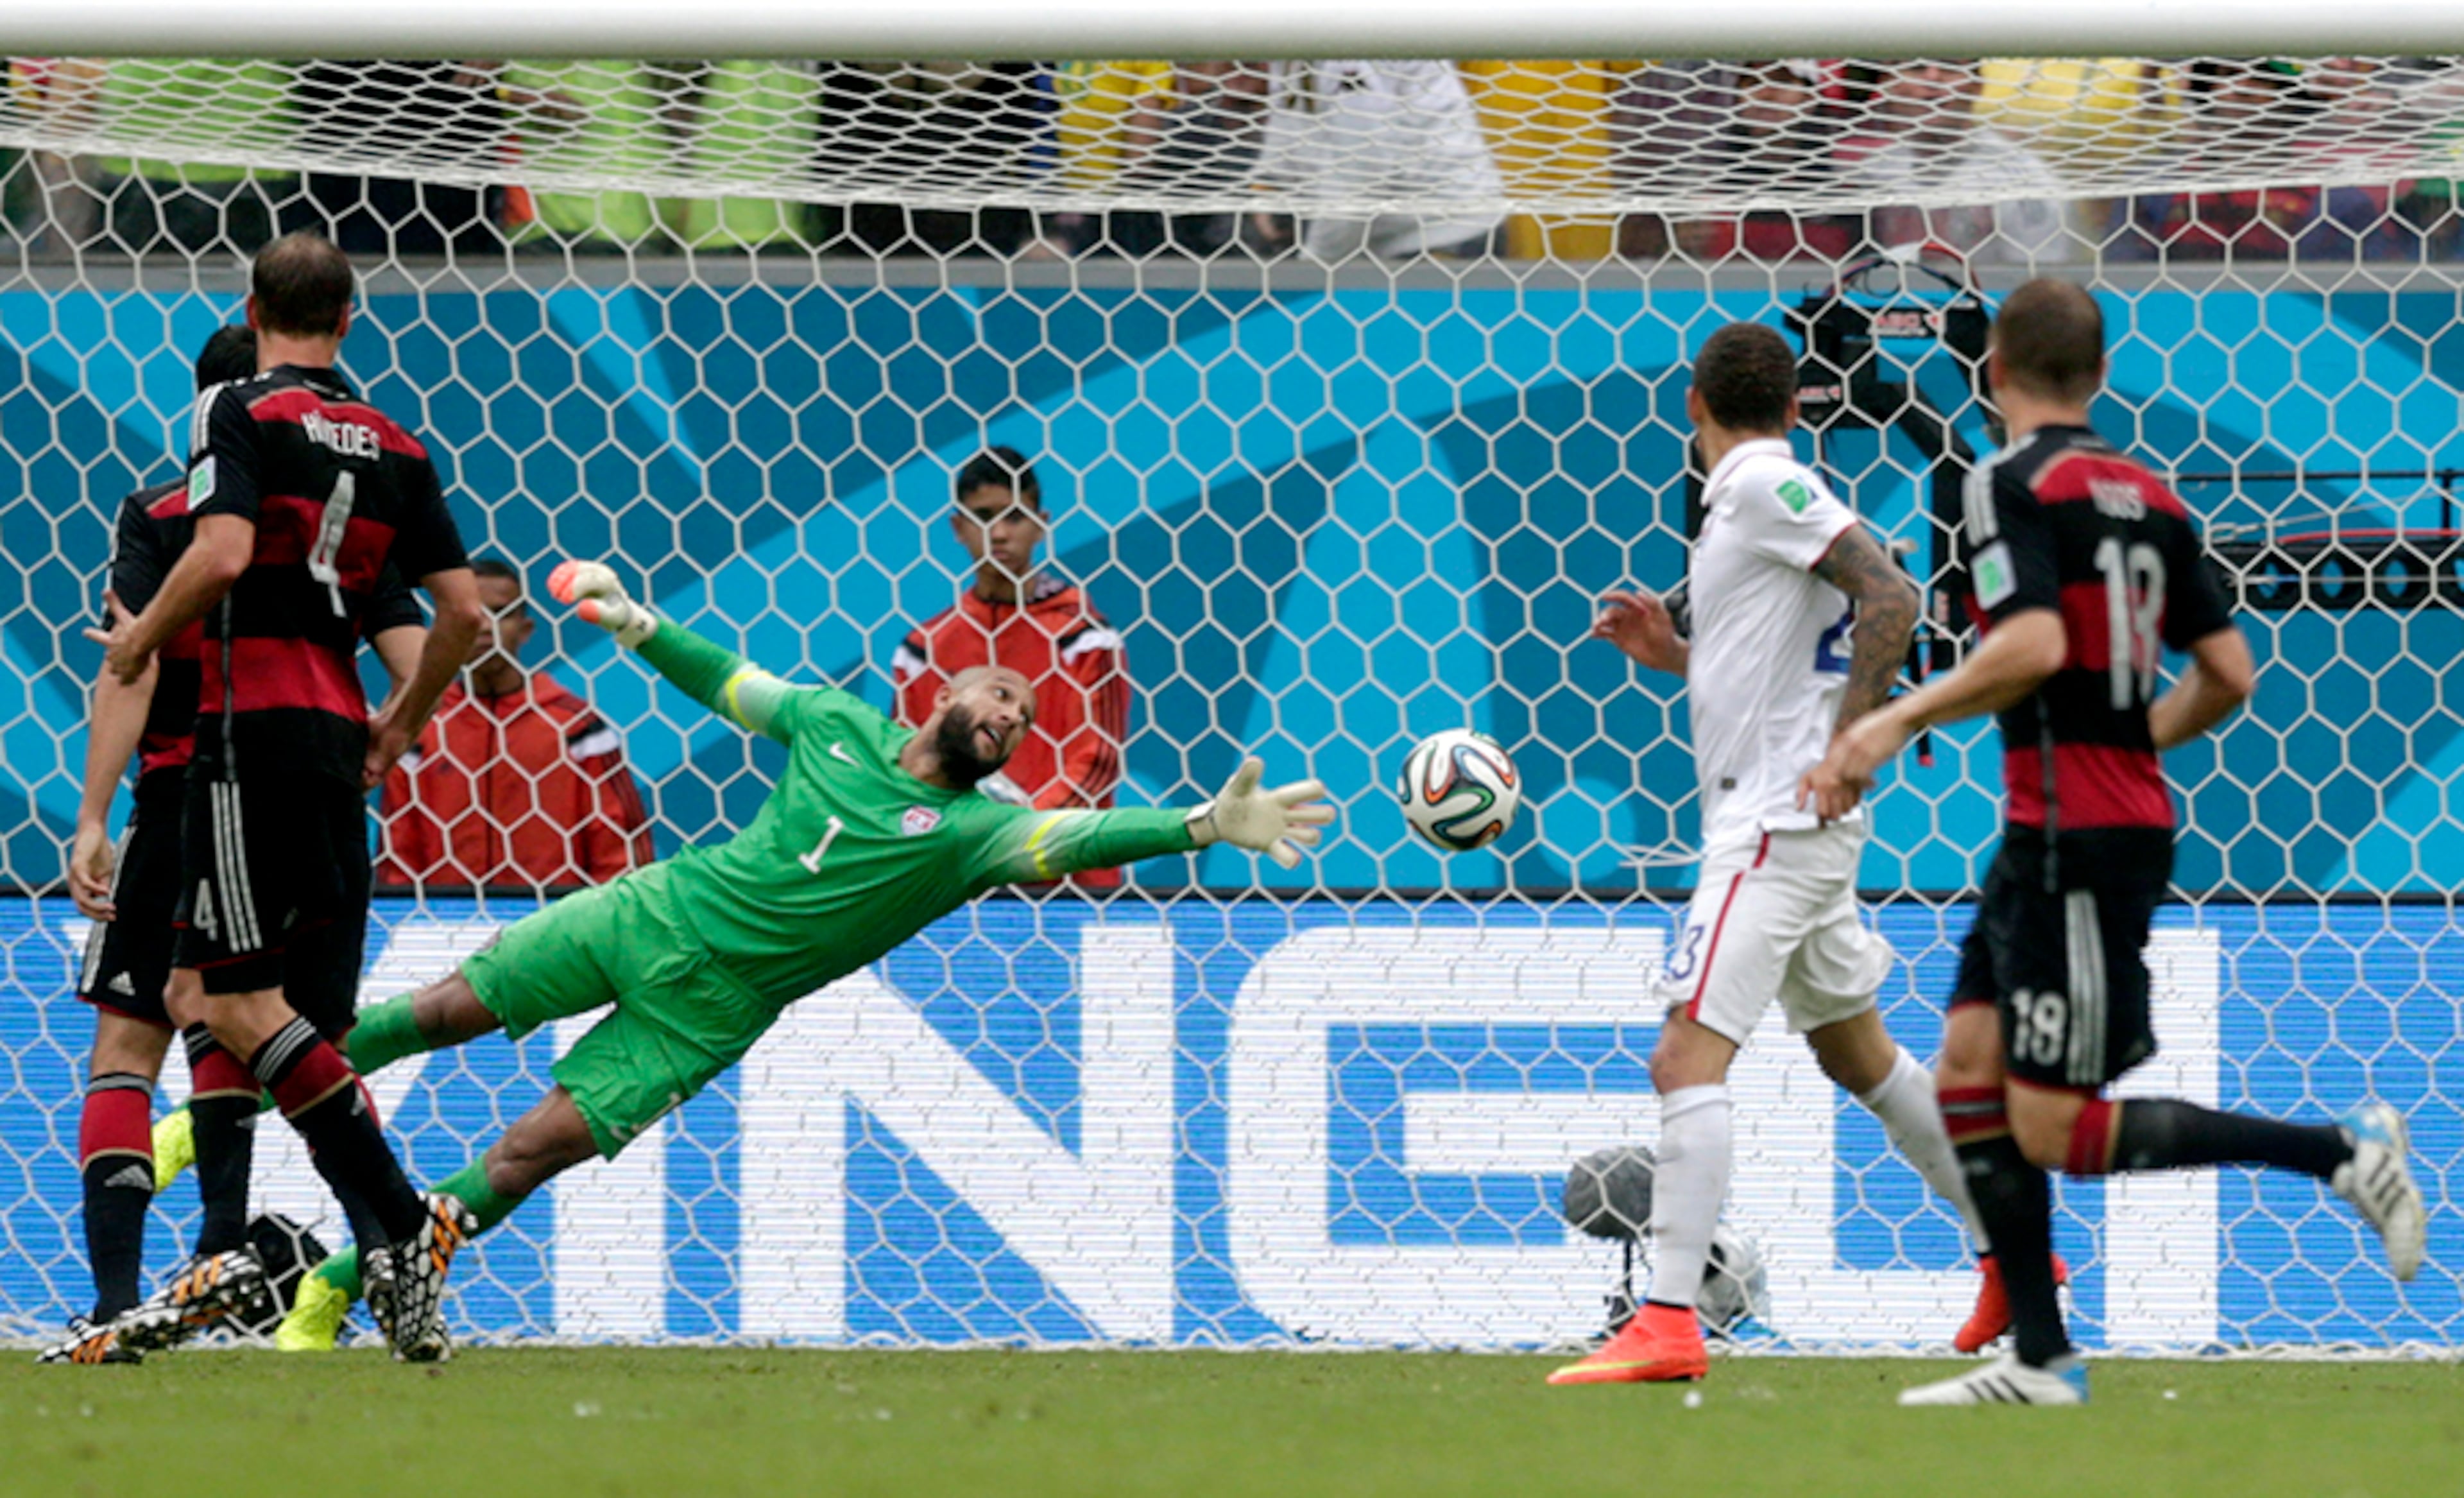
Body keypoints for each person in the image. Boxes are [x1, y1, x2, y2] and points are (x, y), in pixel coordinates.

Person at [268, 560, 1330, 1350]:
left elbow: (1075, 838)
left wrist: (1194, 825)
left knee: (529, 1150)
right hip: (656, 908)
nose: (1008, 718)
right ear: (944, 696)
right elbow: (731, 682)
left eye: (1023, 717)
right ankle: (211, 1109)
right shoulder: (834, 723)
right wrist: (638, 622)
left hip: (714, 1008)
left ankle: (349, 1278)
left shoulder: (975, 833)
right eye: (997, 695)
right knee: (443, 1010)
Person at [1803, 279, 2426, 1405]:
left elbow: (2033, 640)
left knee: (2047, 1124)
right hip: (2070, 823)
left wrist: (1890, 720)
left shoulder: (2004, 478)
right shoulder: (2151, 494)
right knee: (1967, 1074)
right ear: (2097, 375)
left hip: (2076, 835)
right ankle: (2038, 1354)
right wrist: (2141, 738)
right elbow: (2231, 672)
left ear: (1992, 368)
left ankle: (2339, 1149)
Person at [1548, 321, 2007, 1387]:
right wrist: (1677, 654)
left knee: (1683, 1058)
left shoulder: (1761, 485)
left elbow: (1889, 592)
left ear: (1693, 410)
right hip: (1794, 823)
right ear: (1798, 407)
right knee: (1862, 1058)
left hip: (1776, 825)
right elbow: (1767, 669)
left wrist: (1854, 738)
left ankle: (1667, 1317)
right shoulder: (1746, 511)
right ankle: (2011, 1254)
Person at [83, 231, 490, 1363]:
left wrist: (138, 645)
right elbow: (461, 616)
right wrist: (399, 727)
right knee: (265, 1012)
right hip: (334, 743)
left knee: (233, 1008)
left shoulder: (238, 418)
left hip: (239, 743)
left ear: (253, 306)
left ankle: (399, 1230)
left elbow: (218, 557)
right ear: (350, 319)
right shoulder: (397, 439)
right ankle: (332, 1242)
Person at [892, 448, 1131, 884]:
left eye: (1015, 517)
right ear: (957, 527)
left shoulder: (1084, 637)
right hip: (957, 879)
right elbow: (906, 762)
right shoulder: (923, 649)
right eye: (983, 517)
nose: (999, 533)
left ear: (1041, 524)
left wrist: (1020, 833)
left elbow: (1098, 762)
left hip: (1071, 882)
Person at [379, 558, 654, 892]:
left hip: (556, 928)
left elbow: (620, 852)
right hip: (448, 928)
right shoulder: (423, 726)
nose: (485, 627)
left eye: (500, 613)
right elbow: (398, 856)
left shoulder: (576, 727)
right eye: (475, 614)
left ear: (525, 630)